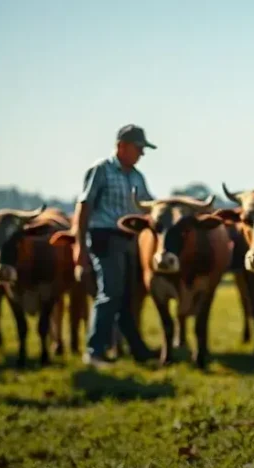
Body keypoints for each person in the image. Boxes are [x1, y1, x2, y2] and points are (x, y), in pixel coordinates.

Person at [74, 124, 157, 367]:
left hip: (131, 240)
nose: (142, 154)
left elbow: (149, 206)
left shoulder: (137, 177)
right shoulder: (101, 170)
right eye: (139, 148)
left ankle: (136, 350)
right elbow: (84, 207)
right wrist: (80, 246)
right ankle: (94, 351)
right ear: (122, 146)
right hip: (104, 237)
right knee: (110, 294)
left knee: (128, 296)